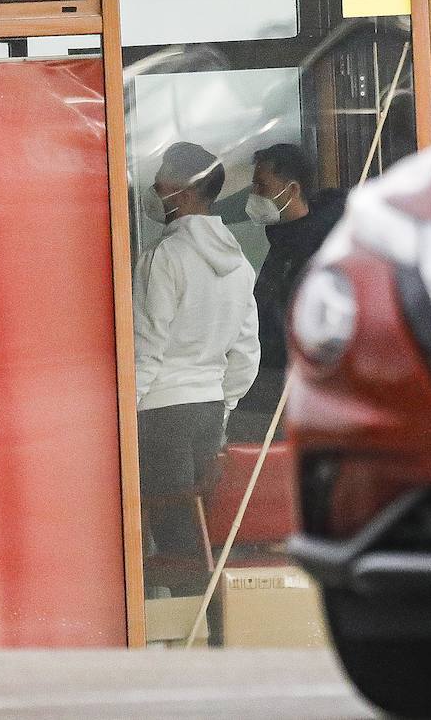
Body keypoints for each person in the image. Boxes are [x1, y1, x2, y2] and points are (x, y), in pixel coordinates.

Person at [134, 141, 260, 557]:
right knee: (199, 533)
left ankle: (193, 621)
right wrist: (223, 407)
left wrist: (125, 414)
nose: (154, 192)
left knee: (173, 540)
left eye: (159, 185)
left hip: (160, 410)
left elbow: (146, 345)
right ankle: (210, 617)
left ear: (183, 192)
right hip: (208, 408)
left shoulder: (164, 258)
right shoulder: (240, 264)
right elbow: (246, 350)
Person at [228, 143, 345, 443]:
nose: (254, 194)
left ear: (292, 189)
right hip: (269, 381)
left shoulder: (321, 247)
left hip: (293, 389)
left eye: (261, 186)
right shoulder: (285, 242)